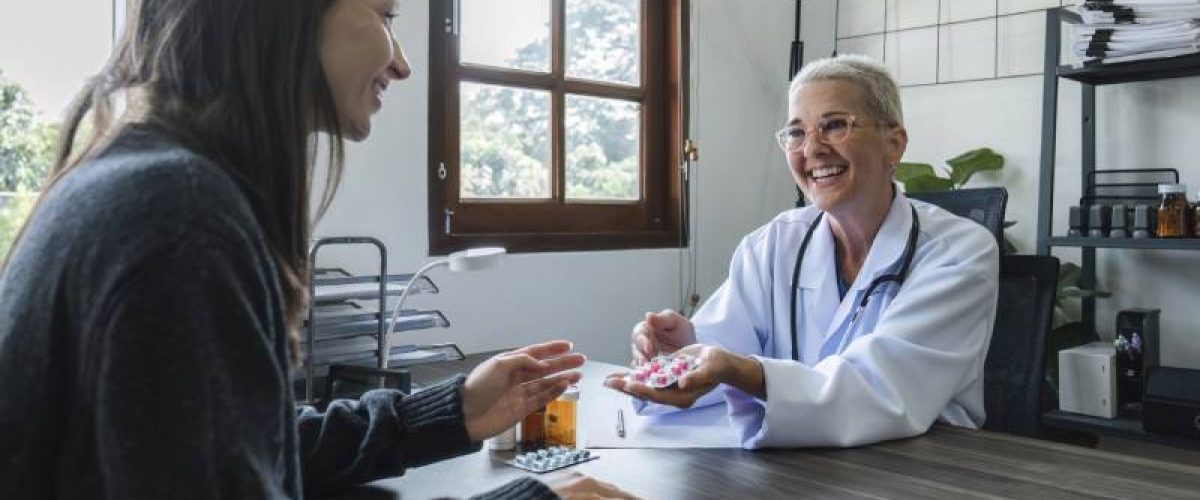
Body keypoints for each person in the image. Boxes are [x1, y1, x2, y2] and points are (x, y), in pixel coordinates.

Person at [0, 1, 635, 499]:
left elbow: (250, 445)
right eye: (385, 15)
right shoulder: (182, 222)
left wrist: (450, 413)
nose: (403, 63)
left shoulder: (141, 182)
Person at [606, 55, 1000, 449]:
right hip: (796, 467)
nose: (812, 148)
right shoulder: (772, 244)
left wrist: (742, 371)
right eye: (796, 133)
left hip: (924, 466)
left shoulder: (959, 252)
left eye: (834, 125)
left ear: (893, 144)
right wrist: (683, 349)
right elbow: (727, 347)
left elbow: (883, 390)